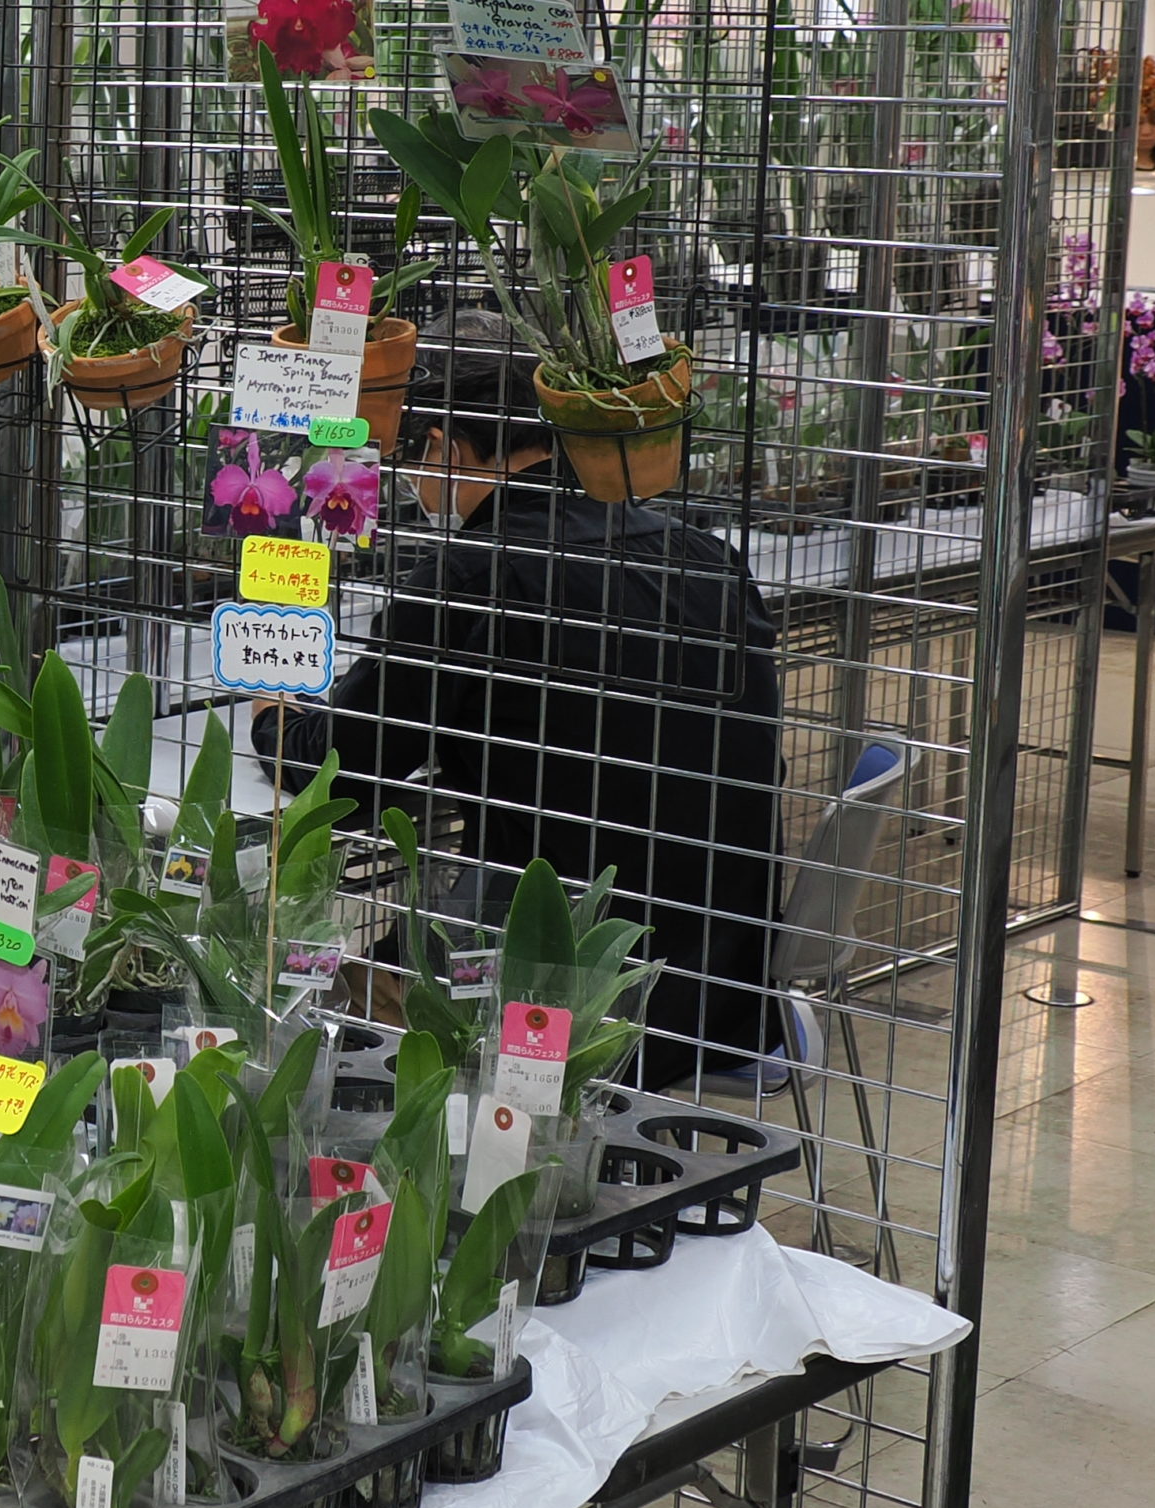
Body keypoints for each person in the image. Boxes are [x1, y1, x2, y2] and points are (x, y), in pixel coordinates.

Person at [260, 336, 787, 1087]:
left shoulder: (470, 575)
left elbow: (341, 775)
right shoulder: (705, 555)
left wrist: (272, 709)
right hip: (722, 996)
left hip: (558, 1007)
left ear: (445, 447)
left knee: (310, 979)